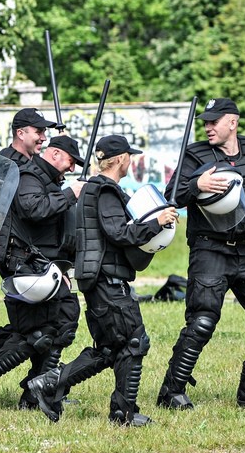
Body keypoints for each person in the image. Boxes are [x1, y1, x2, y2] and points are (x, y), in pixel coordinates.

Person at [156, 98, 245, 410]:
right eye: (205, 122)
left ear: (232, 122)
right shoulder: (195, 155)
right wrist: (197, 182)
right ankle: (171, 392)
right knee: (202, 320)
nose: (208, 127)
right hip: (210, 249)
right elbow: (172, 196)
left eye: (214, 122)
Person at [29, 134, 178, 426]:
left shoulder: (97, 189)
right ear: (121, 159)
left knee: (111, 348)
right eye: (129, 157)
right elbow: (119, 233)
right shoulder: (105, 191)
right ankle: (118, 411)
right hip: (107, 280)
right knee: (135, 342)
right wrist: (156, 224)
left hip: (102, 279)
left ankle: (57, 386)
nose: (131, 162)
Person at [0, 135, 84, 409]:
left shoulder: (50, 181)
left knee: (61, 325)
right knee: (38, 333)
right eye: (71, 161)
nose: (72, 169)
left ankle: (39, 390)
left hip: (51, 267)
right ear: (55, 154)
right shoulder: (28, 176)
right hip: (28, 267)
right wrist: (71, 195)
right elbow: (33, 209)